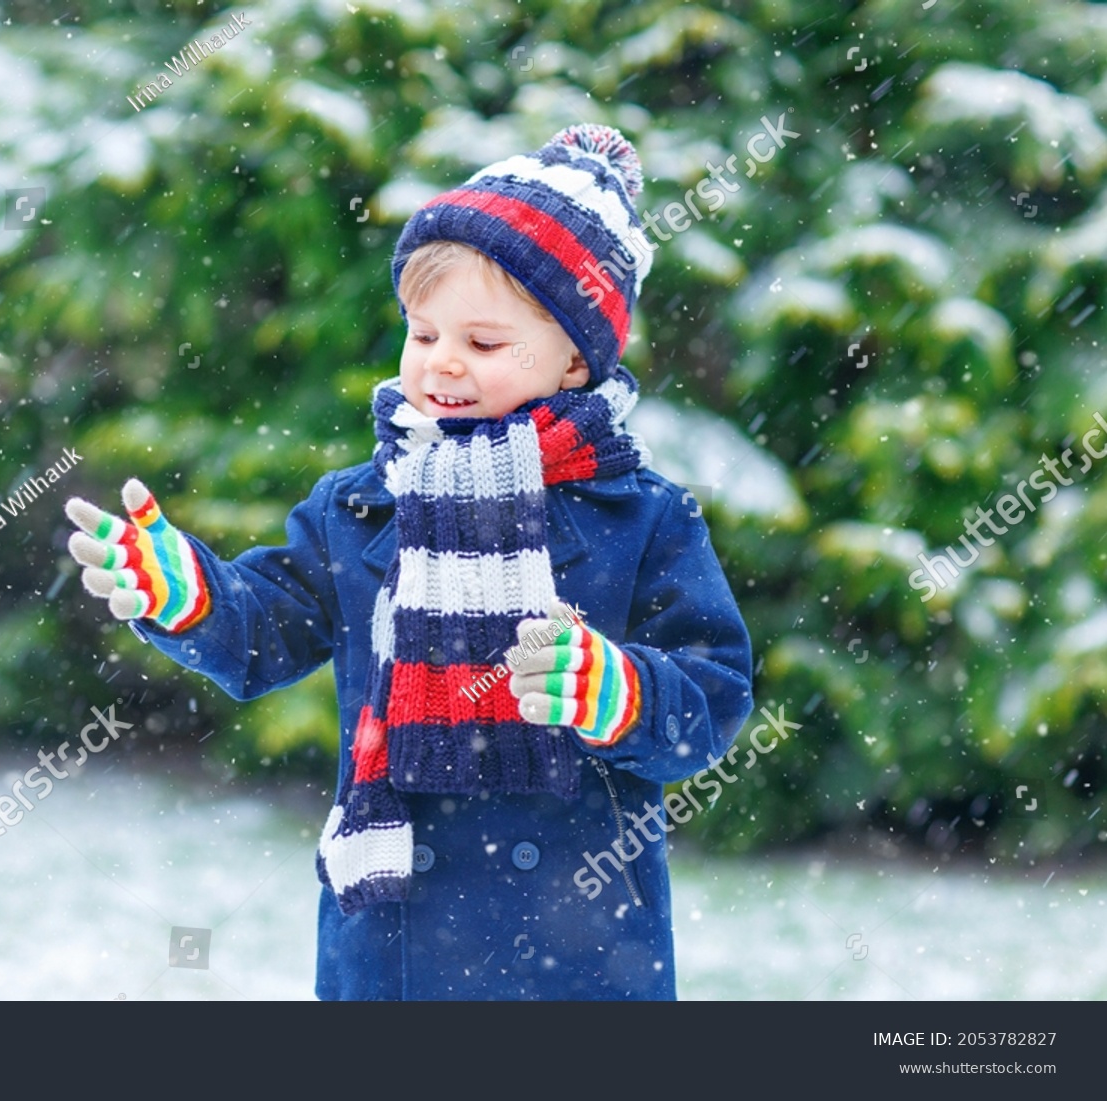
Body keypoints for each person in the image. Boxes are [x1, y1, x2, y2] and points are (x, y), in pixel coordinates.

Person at [65, 124, 753, 1000]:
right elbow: (262, 631)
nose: (443, 363)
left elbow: (713, 700)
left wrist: (619, 691)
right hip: (394, 947)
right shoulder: (363, 503)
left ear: (575, 357)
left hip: (578, 954)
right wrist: (189, 592)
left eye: (484, 341)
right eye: (423, 334)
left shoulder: (643, 518)